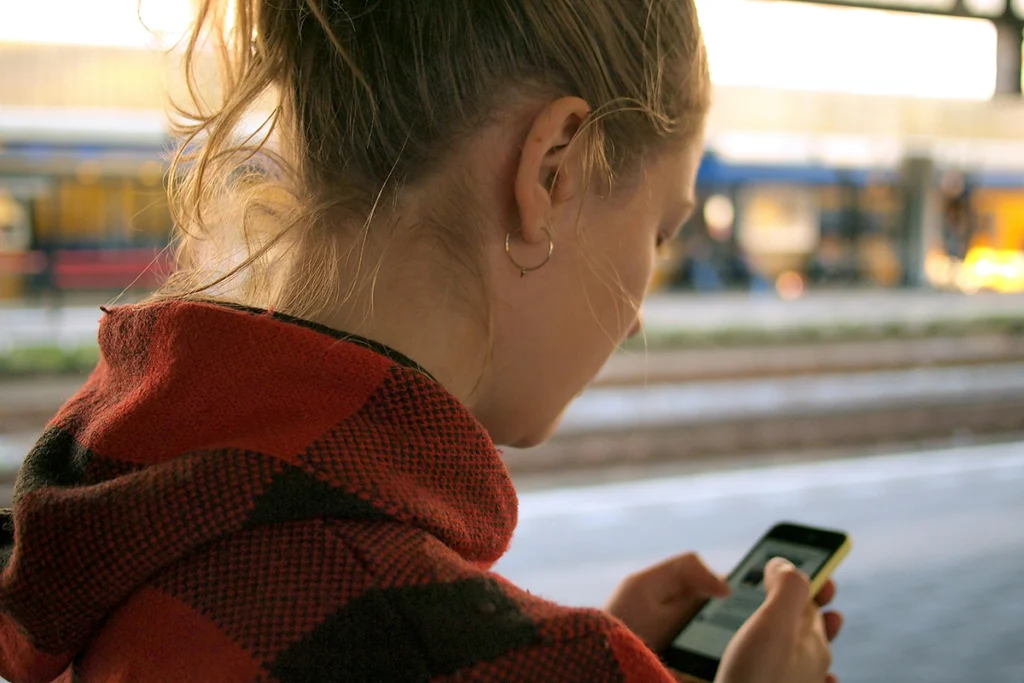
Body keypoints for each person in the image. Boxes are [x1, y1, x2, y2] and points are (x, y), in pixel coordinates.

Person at [0, 1, 843, 681]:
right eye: (660, 232)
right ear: (552, 169)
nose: (635, 318)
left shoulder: (111, 517)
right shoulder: (492, 652)